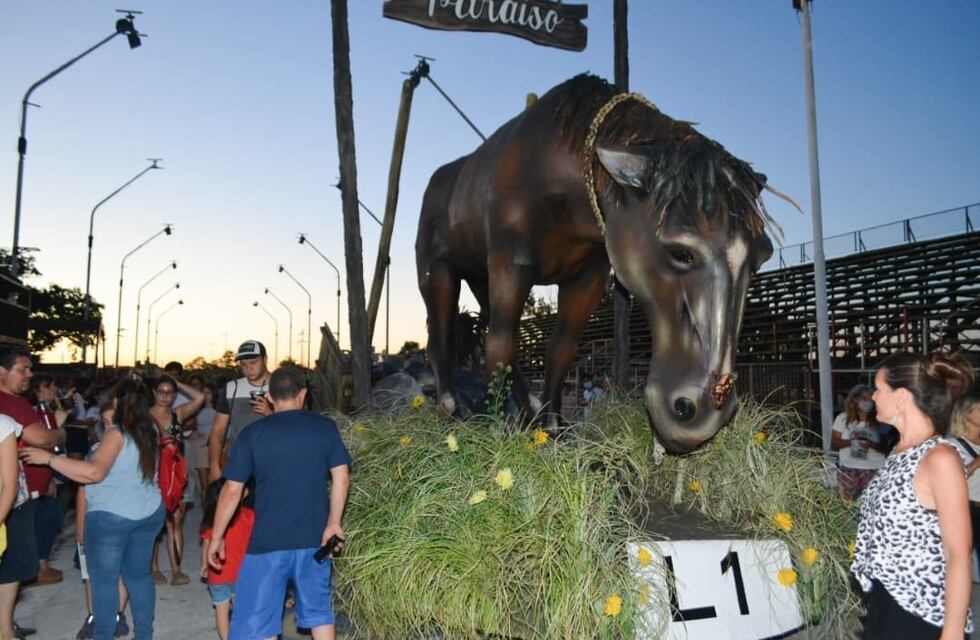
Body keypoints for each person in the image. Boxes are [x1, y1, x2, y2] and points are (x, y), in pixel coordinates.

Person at [208, 367, 351, 640]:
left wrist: (217, 537)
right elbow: (341, 478)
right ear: (303, 394)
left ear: (270, 397)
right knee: (319, 612)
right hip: (315, 539)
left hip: (267, 541)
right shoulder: (325, 428)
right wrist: (334, 524)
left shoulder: (252, 434)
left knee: (259, 623)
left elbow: (232, 490)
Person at [21, 377, 165, 640]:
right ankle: (145, 635)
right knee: (138, 576)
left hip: (113, 516)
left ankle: (104, 635)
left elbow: (94, 472)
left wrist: (49, 459)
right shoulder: (149, 431)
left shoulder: (117, 433)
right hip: (148, 512)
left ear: (117, 402)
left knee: (104, 581)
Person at [851, 351, 975, 639]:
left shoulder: (940, 458)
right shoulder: (899, 452)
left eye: (879, 389)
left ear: (901, 397)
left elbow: (959, 554)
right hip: (887, 601)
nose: (873, 397)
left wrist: (953, 632)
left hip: (920, 612)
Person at [0, 346, 65, 640]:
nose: (30, 374)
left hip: (20, 491)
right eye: (23, 369)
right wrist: (60, 434)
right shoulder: (13, 404)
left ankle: (6, 626)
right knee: (12, 565)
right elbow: (42, 438)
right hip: (11, 498)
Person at [148, 375, 204, 586]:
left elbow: (199, 398)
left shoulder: (177, 414)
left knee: (176, 521)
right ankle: (153, 568)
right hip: (152, 475)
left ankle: (176, 571)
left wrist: (177, 382)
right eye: (161, 391)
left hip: (175, 476)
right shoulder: (144, 416)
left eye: (169, 392)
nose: (165, 396)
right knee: (154, 524)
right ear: (154, 392)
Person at [26, 374, 70, 586]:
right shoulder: (32, 412)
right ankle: (37, 567)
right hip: (33, 475)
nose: (53, 390)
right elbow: (45, 442)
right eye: (48, 386)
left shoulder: (46, 411)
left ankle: (40, 564)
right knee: (41, 520)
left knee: (50, 517)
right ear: (37, 390)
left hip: (45, 473)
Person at [208, 341, 273, 482]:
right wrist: (214, 466)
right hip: (239, 462)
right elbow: (218, 431)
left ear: (265, 359)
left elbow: (294, 426)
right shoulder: (232, 388)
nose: (249, 368)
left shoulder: (280, 386)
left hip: (272, 462)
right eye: (243, 365)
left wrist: (270, 413)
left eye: (253, 362)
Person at [200, 478, 255, 640]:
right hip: (240, 573)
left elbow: (207, 544)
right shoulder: (249, 515)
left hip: (217, 573)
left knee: (221, 612)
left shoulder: (212, 520)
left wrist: (204, 565)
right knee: (241, 609)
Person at [832, 384, 888, 500]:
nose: (867, 402)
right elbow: (834, 443)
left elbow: (887, 447)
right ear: (854, 400)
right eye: (864, 398)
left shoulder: (881, 420)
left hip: (874, 469)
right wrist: (851, 442)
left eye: (870, 399)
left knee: (873, 503)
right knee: (844, 503)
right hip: (848, 469)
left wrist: (871, 444)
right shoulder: (842, 418)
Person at [949, 392, 980, 578]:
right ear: (966, 413)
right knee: (962, 561)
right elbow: (951, 479)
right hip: (968, 509)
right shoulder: (952, 445)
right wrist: (976, 463)